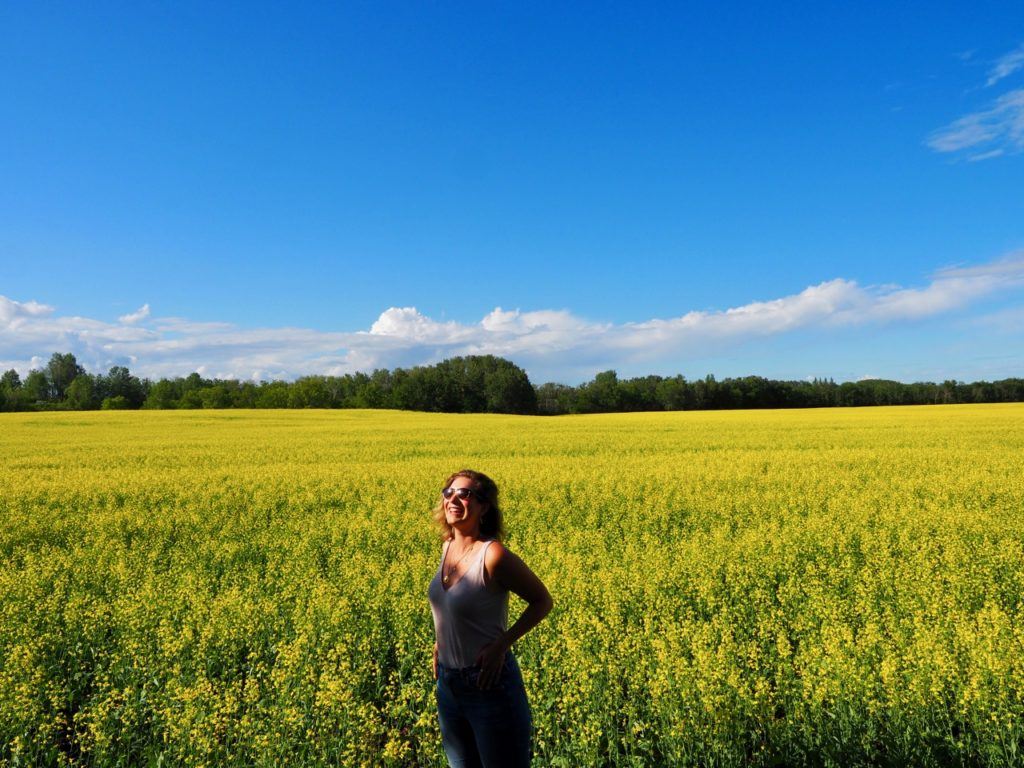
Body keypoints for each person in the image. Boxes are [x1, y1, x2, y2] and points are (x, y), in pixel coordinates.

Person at [428, 469, 553, 768]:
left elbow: (542, 601)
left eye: (465, 494)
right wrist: (440, 643)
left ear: (484, 507)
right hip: (448, 685)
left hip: (488, 686)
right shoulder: (447, 547)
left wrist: (502, 644)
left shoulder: (493, 555)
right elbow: (450, 608)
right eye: (449, 493)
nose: (454, 499)